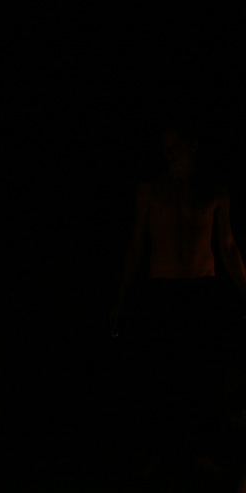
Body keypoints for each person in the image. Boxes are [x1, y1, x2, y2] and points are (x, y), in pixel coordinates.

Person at [111, 124, 246, 472]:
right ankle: (161, 449)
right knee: (163, 370)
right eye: (165, 146)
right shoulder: (151, 189)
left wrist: (244, 288)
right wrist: (122, 295)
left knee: (204, 371)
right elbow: (137, 243)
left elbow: (228, 245)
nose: (169, 153)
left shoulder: (213, 191)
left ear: (192, 145)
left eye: (175, 145)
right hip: (163, 286)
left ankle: (202, 449)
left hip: (201, 286)